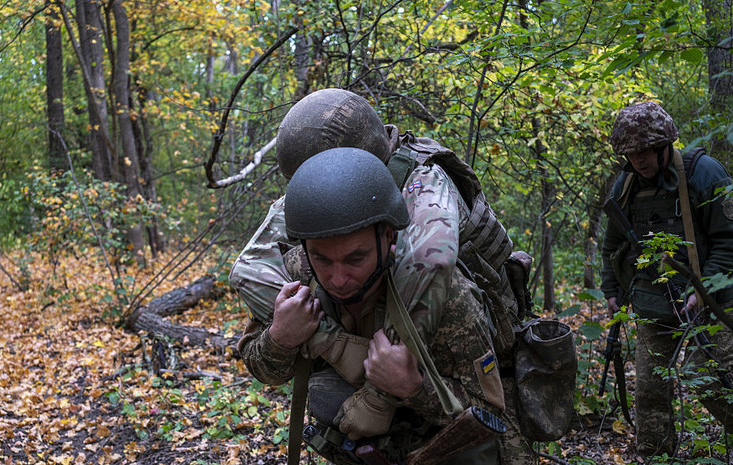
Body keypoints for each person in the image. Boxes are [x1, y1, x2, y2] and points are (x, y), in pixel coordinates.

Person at [230, 88, 535, 463]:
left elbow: (491, 417)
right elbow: (259, 338)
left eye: (354, 257)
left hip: (452, 413)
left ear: (388, 237)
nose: (337, 277)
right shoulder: (303, 266)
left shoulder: (435, 248)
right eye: (323, 257)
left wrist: (398, 390)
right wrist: (291, 337)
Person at [600, 101, 733, 459]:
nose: (638, 160)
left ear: (664, 146)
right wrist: (612, 291)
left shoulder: (704, 174)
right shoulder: (626, 186)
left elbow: (729, 241)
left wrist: (701, 292)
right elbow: (611, 246)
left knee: (712, 379)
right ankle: (655, 455)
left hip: (714, 299)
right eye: (630, 154)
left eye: (644, 151)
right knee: (650, 389)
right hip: (654, 302)